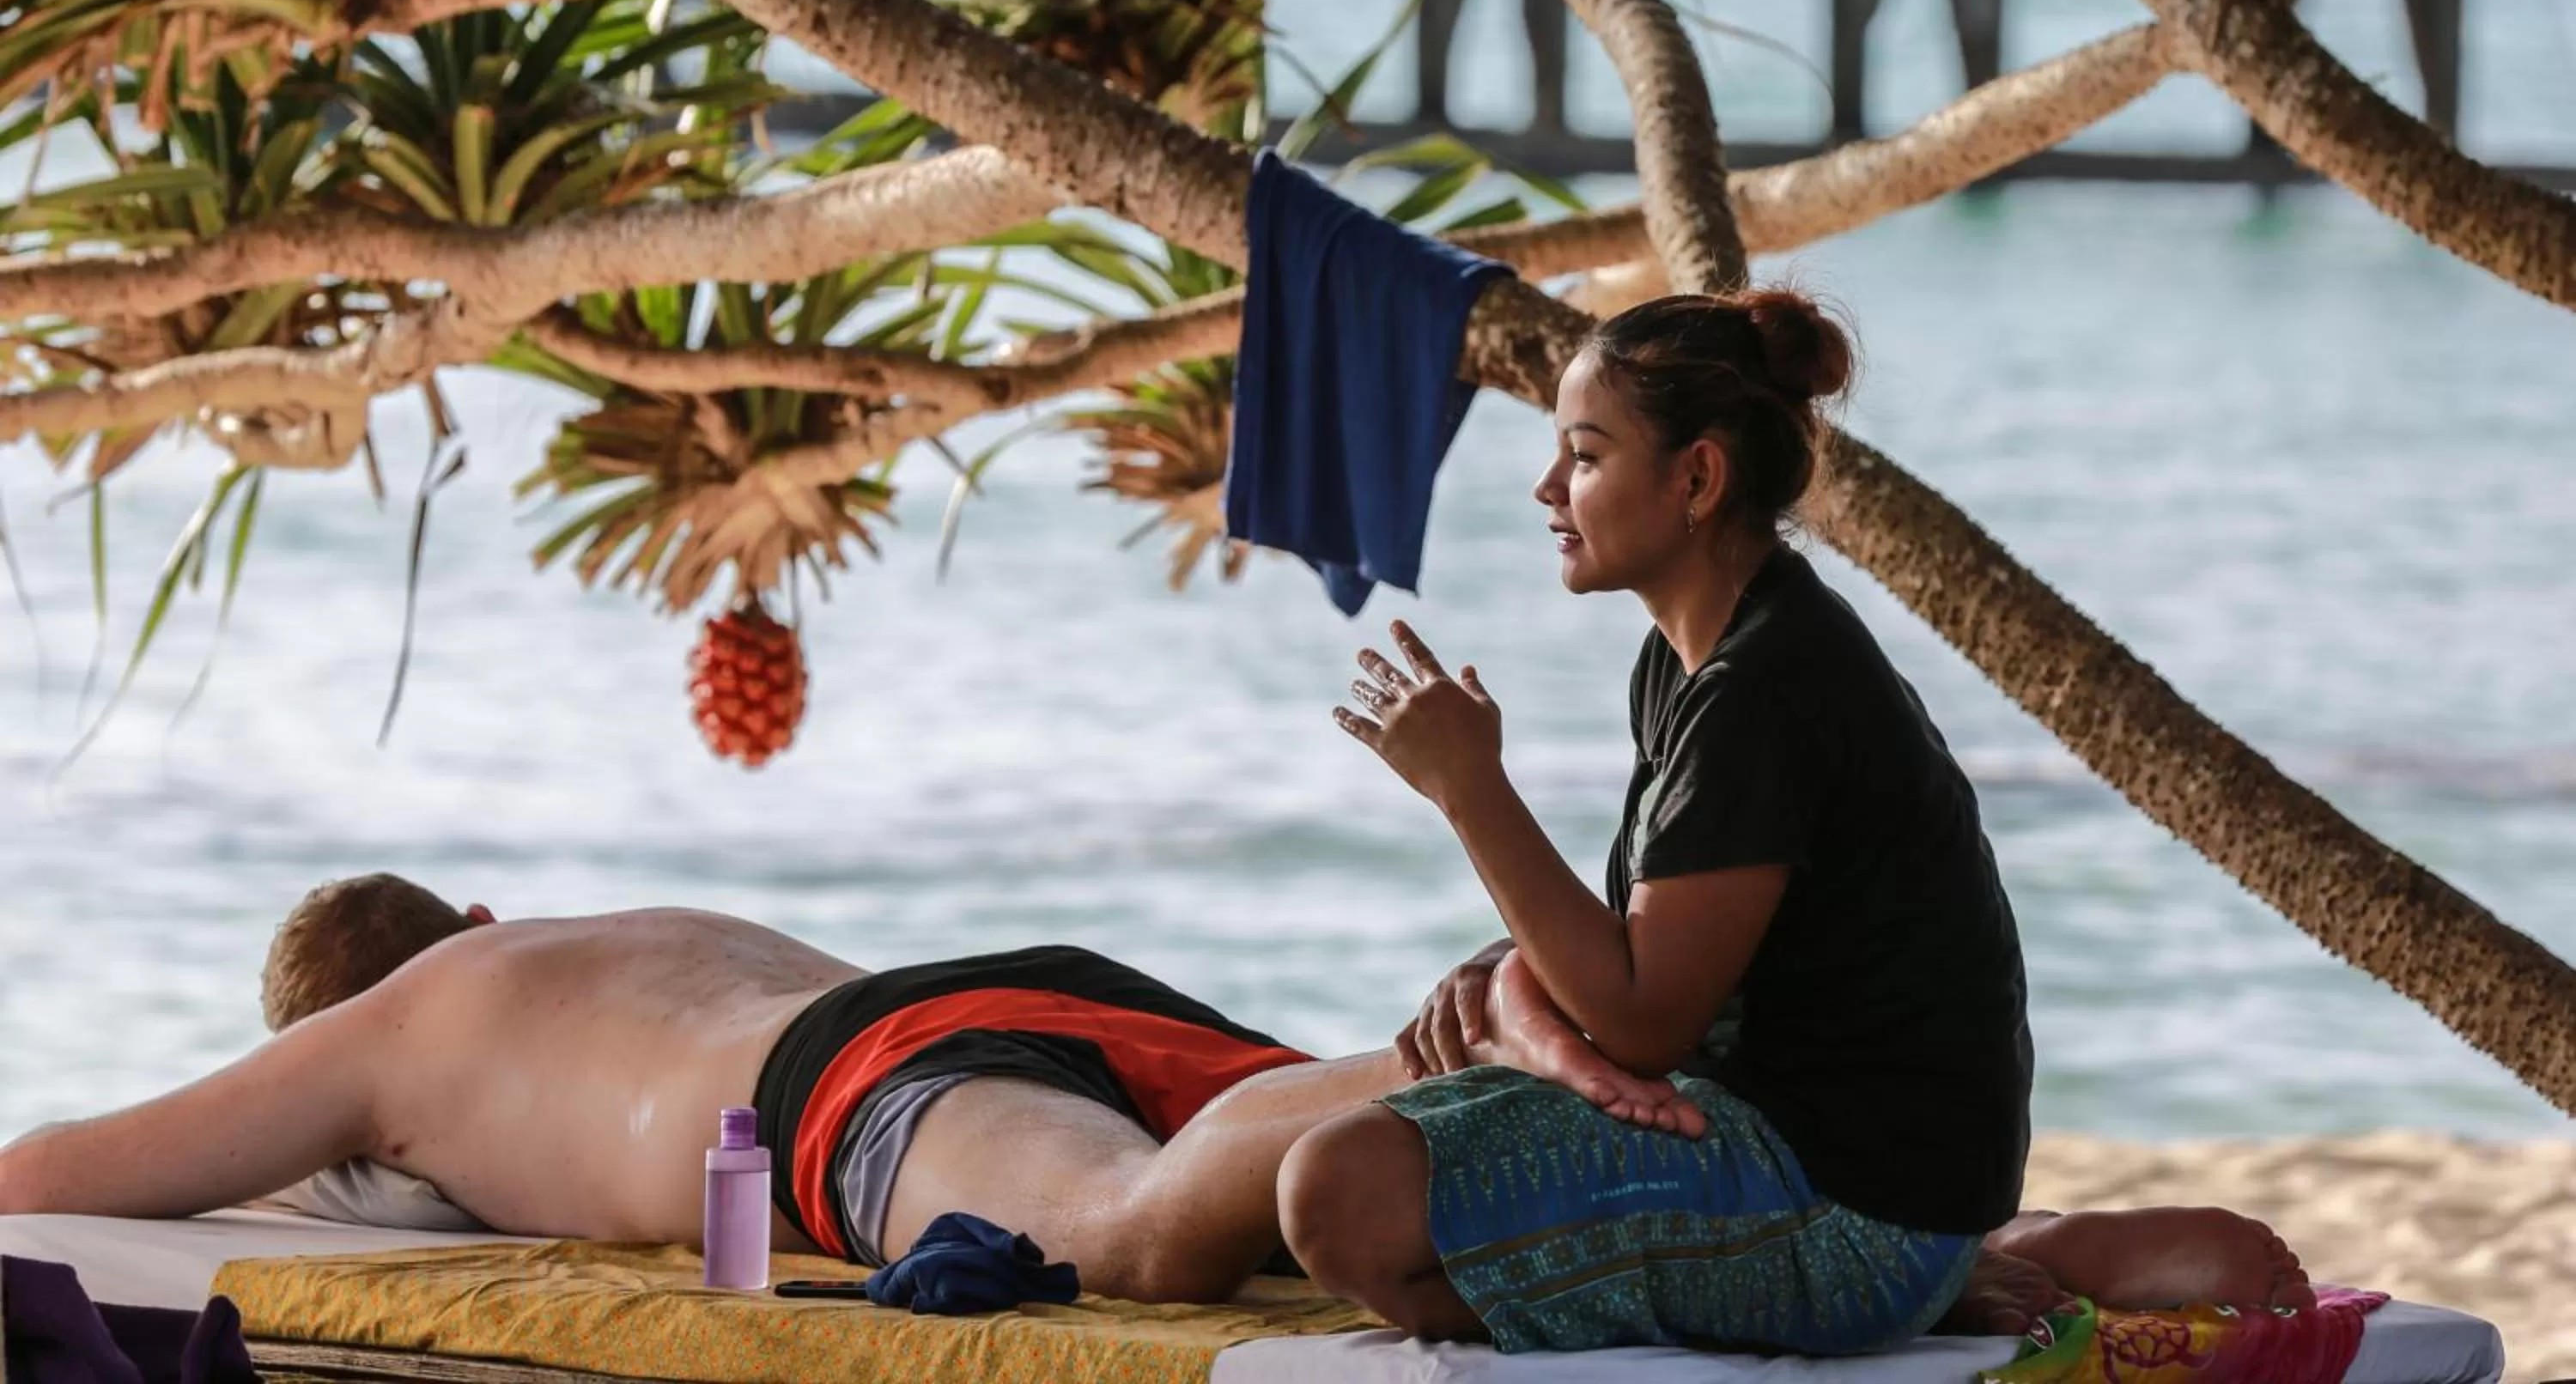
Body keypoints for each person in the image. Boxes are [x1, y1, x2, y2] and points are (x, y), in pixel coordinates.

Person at [1277, 290, 2318, 1355]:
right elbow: (1672, 943)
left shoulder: (1763, 688)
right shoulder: (1706, 655)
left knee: (1335, 1192)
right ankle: (1969, 1264)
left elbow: (1642, 1018)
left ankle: (1955, 1271)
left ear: (1696, 477)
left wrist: (1470, 788)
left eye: (1585, 456)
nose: (1548, 487)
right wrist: (1511, 964)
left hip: (1846, 1211)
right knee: (1389, 1154)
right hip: (1807, 1158)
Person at [2, 868, 2298, 1332]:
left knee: (1137, 1233)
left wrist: (334, 1121)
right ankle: (1526, 1045)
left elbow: (58, 1178)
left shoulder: (388, 1047)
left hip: (873, 1096)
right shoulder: (580, 926)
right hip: (1002, 983)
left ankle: (1985, 1264)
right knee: (1284, 1127)